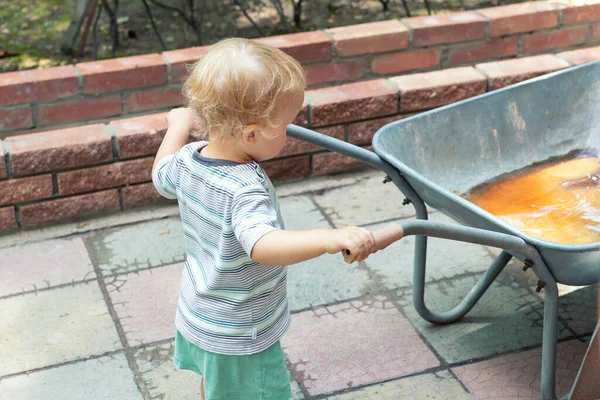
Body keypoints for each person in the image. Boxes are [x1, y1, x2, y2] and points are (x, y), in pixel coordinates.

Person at [152, 38, 376, 400]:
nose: (288, 132)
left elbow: (160, 174)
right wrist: (328, 238)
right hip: (241, 331)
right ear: (251, 134)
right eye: (286, 124)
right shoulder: (244, 190)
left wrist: (177, 124)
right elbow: (261, 244)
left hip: (199, 315)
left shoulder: (189, 159)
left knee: (218, 388)